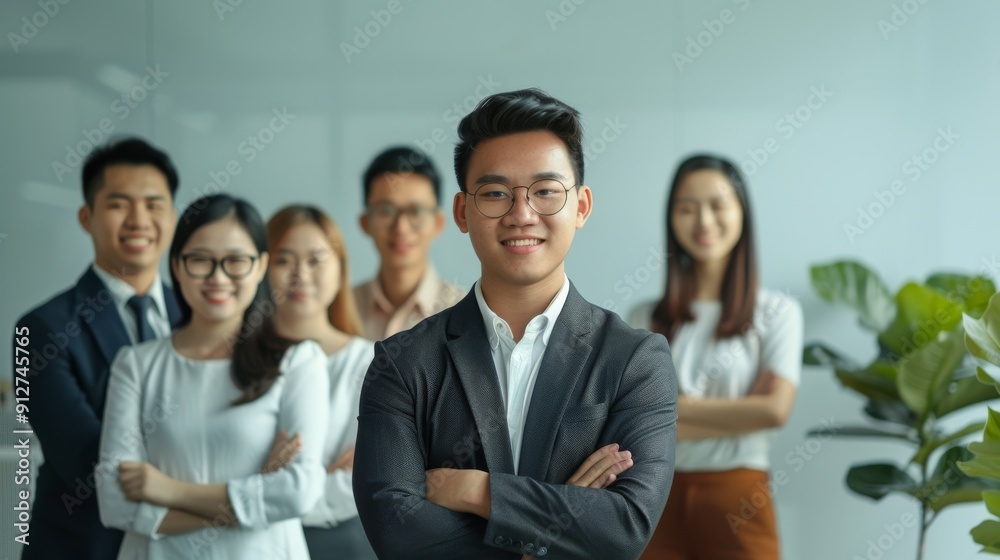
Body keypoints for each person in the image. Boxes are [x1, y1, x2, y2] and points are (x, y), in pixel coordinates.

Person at [353, 88, 678, 560]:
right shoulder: (402, 362)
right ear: (462, 212)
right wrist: (555, 531)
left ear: (581, 206)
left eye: (545, 191)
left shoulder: (634, 360)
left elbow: (626, 527)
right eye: (495, 194)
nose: (521, 215)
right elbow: (394, 530)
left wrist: (479, 492)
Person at [96, 194, 329, 559]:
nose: (218, 277)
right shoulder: (136, 365)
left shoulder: (299, 361)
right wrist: (255, 494)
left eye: (236, 261)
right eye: (200, 260)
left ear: (260, 266)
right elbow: (114, 503)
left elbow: (300, 492)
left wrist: (168, 490)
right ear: (176, 266)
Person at [14, 138, 183, 560]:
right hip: (84, 547)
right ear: (86, 217)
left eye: (154, 204)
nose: (139, 220)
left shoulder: (201, 315)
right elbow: (88, 465)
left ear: (173, 217)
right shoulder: (41, 329)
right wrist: (220, 491)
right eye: (119, 204)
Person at [628, 155, 802, 560]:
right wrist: (740, 414)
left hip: (739, 498)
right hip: (653, 495)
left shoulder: (776, 313)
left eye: (718, 204)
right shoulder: (643, 318)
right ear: (671, 218)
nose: (704, 221)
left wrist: (674, 409)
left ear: (742, 212)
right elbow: (635, 423)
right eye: (687, 208)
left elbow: (775, 410)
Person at [266, 205, 377, 559]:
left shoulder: (370, 363)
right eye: (283, 260)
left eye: (315, 260)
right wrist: (318, 475)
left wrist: (268, 486)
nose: (300, 274)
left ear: (341, 268)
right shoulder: (238, 361)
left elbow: (361, 482)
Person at [354, 146, 465, 340]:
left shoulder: (464, 312)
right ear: (365, 223)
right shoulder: (340, 309)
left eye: (416, 211)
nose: (401, 228)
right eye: (386, 211)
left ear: (438, 222)